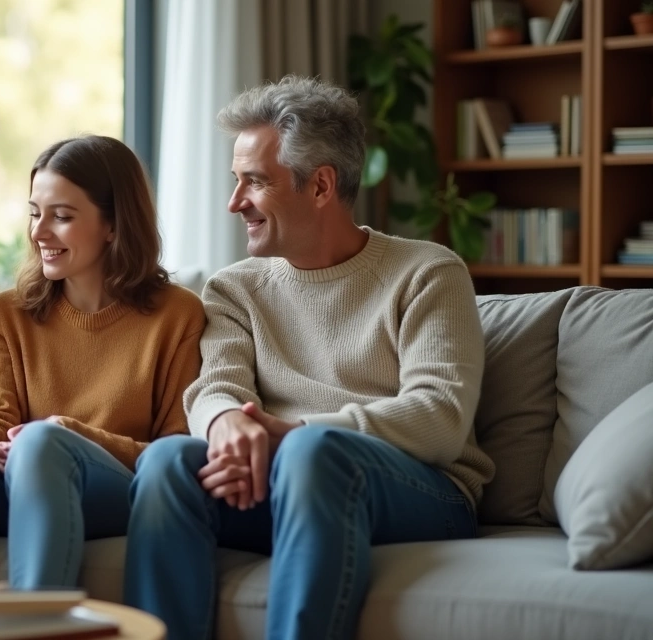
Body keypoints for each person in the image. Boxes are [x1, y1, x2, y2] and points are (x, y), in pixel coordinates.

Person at [123, 76, 496, 640]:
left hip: (422, 491)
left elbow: (440, 418)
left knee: (314, 450)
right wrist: (227, 424)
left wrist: (290, 432)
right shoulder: (234, 289)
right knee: (167, 462)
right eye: (235, 181)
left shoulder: (427, 273)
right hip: (280, 478)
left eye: (254, 182)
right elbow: (214, 387)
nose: (234, 203)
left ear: (320, 186)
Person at [0, 135, 206, 590]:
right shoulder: (7, 312)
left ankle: (34, 623)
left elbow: (175, 455)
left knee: (41, 445)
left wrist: (65, 435)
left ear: (113, 224)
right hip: (20, 476)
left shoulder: (179, 314)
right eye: (35, 213)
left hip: (119, 489)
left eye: (62, 216)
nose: (38, 233)